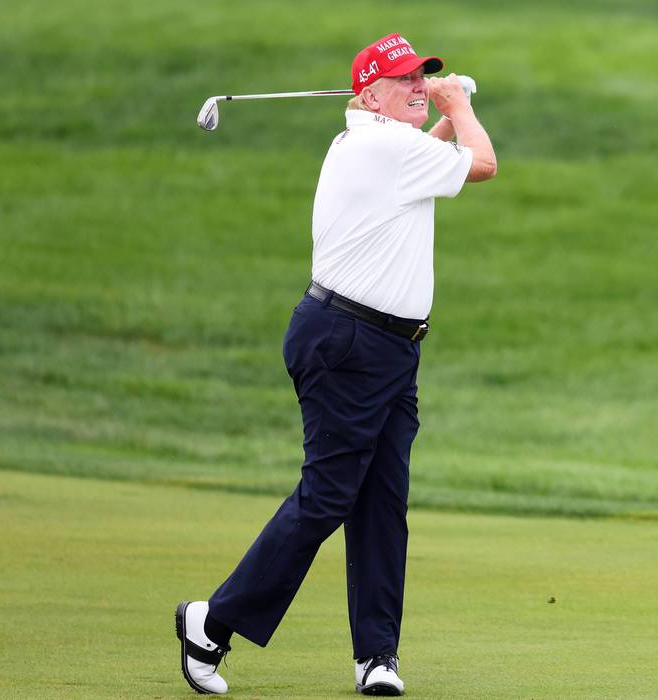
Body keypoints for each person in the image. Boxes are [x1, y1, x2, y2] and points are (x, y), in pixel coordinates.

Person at [175, 32, 496, 696]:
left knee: (381, 502)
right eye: (404, 80)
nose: (417, 85)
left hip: (383, 347)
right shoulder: (381, 144)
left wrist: (444, 109)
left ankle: (376, 657)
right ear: (368, 95)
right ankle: (211, 620)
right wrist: (458, 104)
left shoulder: (379, 146)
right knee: (328, 496)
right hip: (350, 343)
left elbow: (438, 154)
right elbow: (482, 163)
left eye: (422, 76)